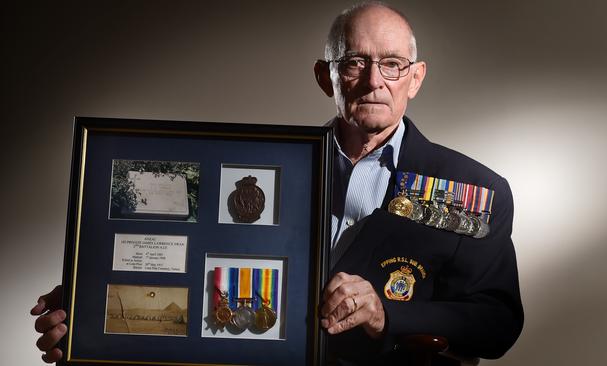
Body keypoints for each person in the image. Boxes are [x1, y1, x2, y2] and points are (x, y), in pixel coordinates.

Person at [32, 2, 523, 365]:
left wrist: (388, 316)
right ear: (324, 76)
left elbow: (497, 323)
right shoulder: (264, 167)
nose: (375, 79)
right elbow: (199, 257)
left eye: (392, 64)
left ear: (415, 79)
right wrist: (93, 302)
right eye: (354, 61)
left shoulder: (474, 189)